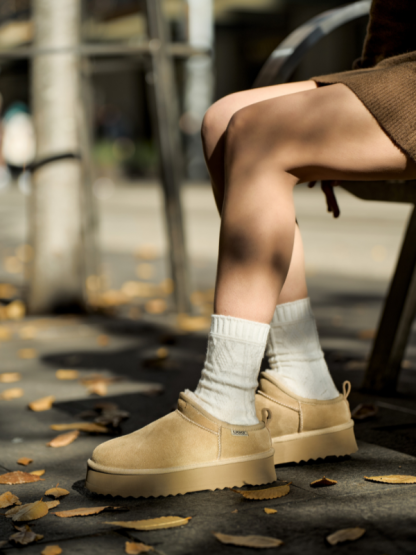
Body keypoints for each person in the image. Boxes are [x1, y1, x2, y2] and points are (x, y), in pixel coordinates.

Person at [85, 0, 416, 498]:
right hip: (403, 67)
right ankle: (304, 386)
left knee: (261, 134)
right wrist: (362, 91)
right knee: (224, 120)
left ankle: (225, 408)